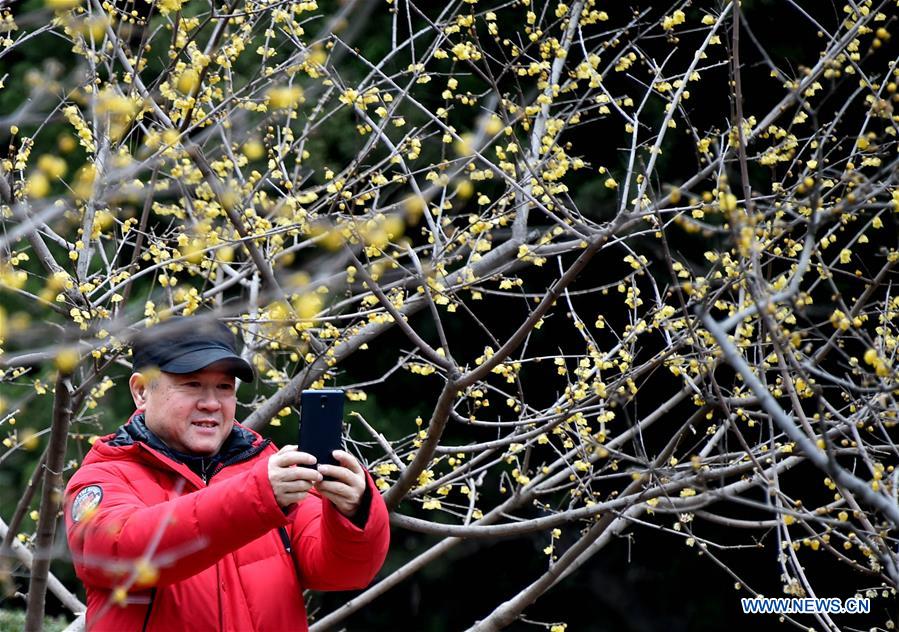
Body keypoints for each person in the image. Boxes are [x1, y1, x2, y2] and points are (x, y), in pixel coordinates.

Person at [64, 317, 390, 631]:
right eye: (192, 384)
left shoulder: (267, 468)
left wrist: (354, 511)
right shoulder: (102, 477)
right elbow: (123, 552)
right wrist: (256, 496)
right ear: (141, 391)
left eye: (223, 387)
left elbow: (342, 572)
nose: (212, 403)